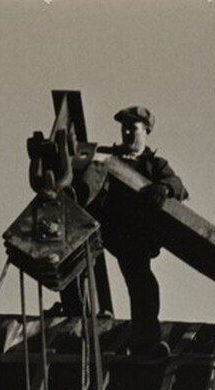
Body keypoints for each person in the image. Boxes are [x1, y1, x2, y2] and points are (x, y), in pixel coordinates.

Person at [89, 106, 188, 356]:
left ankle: (145, 341)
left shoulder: (155, 164)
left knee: (142, 284)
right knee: (85, 267)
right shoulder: (107, 159)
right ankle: (92, 325)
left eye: (132, 128)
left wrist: (164, 188)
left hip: (136, 236)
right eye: (124, 127)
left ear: (146, 131)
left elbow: (178, 185)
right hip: (109, 229)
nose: (126, 132)